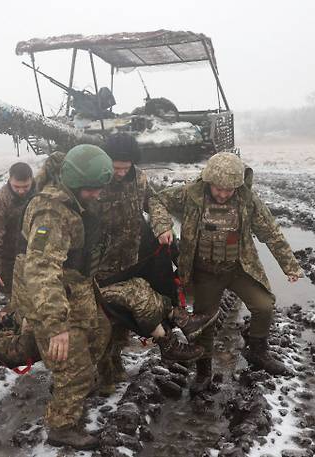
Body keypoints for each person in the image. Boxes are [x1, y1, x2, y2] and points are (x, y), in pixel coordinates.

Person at [158, 152, 304, 393]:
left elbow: (271, 232)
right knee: (204, 322)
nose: (224, 194)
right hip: (204, 272)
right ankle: (204, 371)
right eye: (218, 189)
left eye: (230, 190)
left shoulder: (248, 201)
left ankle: (257, 351)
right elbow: (157, 201)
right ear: (208, 182)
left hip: (238, 268)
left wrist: (289, 265)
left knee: (264, 305)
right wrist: (163, 225)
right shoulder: (189, 195)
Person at [94, 133, 217, 394]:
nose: (119, 172)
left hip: (132, 258)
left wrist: (162, 226)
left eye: (124, 167)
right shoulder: (97, 181)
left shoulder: (139, 179)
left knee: (123, 320)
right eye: (115, 167)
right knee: (105, 321)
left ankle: (116, 366)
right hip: (101, 265)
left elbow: (154, 202)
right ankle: (104, 377)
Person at [11, 145, 113, 450]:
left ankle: (72, 385)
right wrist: (56, 326)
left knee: (101, 333)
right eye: (92, 189)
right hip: (49, 297)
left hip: (74, 287)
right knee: (75, 365)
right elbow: (42, 270)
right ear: (75, 182)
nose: (96, 195)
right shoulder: (51, 214)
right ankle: (62, 426)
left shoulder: (73, 199)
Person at [0, 162, 35, 296]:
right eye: (17, 187)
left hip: (37, 256)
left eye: (26, 186)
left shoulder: (41, 193)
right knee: (15, 302)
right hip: (10, 260)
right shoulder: (1, 200)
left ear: (32, 180)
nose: (21, 191)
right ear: (10, 180)